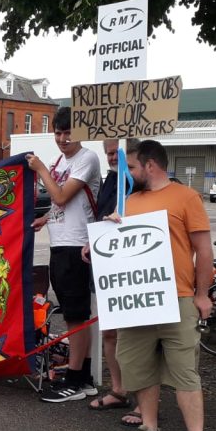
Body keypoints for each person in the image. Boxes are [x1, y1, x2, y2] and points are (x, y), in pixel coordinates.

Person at [112, 139, 216, 431]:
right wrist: (97, 246)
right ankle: (149, 429)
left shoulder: (186, 198)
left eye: (132, 167)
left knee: (185, 371)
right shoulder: (128, 202)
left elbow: (204, 250)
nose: (128, 172)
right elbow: (118, 250)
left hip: (179, 299)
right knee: (141, 367)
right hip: (138, 302)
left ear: (150, 165)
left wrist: (202, 295)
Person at [27, 106, 102, 403]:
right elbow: (60, 205)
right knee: (71, 314)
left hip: (77, 245)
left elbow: (59, 194)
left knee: (76, 316)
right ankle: (81, 376)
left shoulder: (87, 159)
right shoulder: (61, 160)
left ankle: (77, 379)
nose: (61, 138)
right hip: (60, 242)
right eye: (57, 132)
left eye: (67, 132)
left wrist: (42, 170)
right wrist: (44, 219)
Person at [88, 137, 139, 415]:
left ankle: (145, 402)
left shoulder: (140, 183)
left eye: (116, 153)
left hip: (134, 267)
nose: (111, 157)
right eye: (107, 153)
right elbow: (100, 220)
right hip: (106, 265)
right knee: (109, 333)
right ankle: (119, 389)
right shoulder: (110, 181)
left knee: (138, 336)